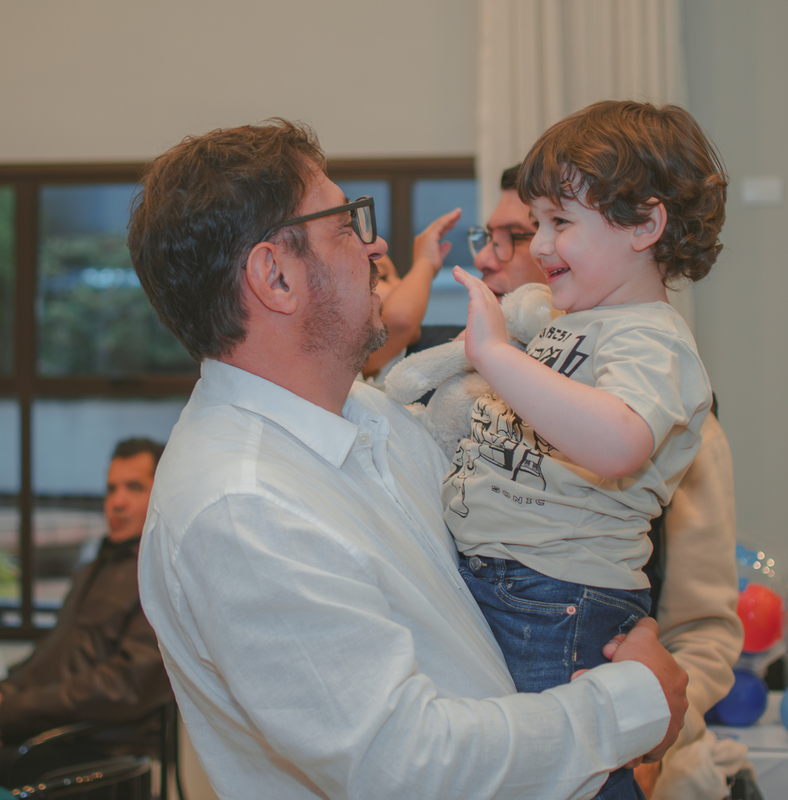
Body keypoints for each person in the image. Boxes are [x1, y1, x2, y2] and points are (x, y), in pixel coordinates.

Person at [128, 118, 688, 800]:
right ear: (275, 275)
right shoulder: (243, 508)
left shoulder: (373, 416)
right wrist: (632, 704)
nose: (378, 244)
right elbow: (409, 768)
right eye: (345, 223)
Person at [446, 101, 728, 798]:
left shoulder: (652, 367)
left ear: (644, 226)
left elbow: (704, 630)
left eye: (552, 225)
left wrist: (653, 725)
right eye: (520, 228)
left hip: (575, 627)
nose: (528, 251)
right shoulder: (525, 349)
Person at [0, 438, 173, 800]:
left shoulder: (161, 576)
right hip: (53, 733)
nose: (117, 502)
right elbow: (55, 655)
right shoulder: (95, 568)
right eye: (110, 489)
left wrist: (9, 713)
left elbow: (124, 685)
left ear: (163, 493)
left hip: (100, 749)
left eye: (134, 488)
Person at [361, 208, 461, 380]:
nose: (400, 285)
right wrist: (425, 263)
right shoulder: (356, 352)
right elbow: (401, 319)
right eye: (383, 277)